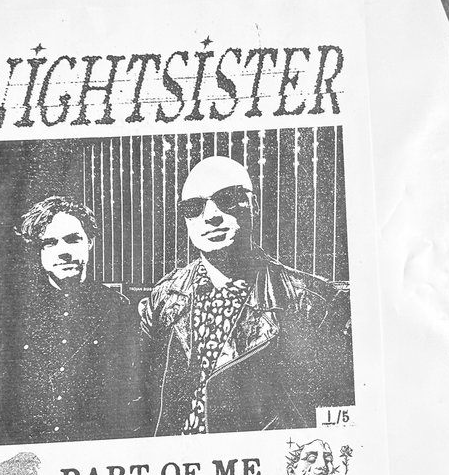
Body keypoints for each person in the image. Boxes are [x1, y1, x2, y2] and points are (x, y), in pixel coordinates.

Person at [139, 156, 354, 436]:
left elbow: (332, 413)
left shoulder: (313, 302)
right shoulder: (164, 298)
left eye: (227, 199)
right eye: (193, 207)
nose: (211, 215)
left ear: (255, 205)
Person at [0, 196, 145, 443]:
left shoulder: (118, 308)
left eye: (73, 239)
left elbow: (126, 400)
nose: (63, 252)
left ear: (90, 242)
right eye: (49, 243)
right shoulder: (12, 312)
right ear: (38, 252)